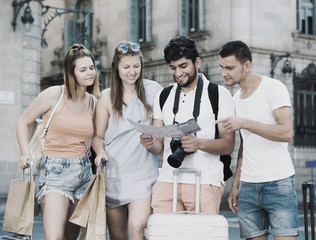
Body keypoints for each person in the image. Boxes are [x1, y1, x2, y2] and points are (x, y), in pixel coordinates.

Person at [140, 35, 235, 214]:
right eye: (173, 68)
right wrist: (149, 143)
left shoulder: (218, 94)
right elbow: (158, 145)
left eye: (183, 66)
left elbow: (228, 145)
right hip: (168, 179)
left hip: (205, 180)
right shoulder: (164, 95)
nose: (178, 73)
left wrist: (199, 144)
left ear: (197, 62)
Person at [16, 44, 100, 240]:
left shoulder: (94, 102)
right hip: (54, 172)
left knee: (71, 238)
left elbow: (94, 137)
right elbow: (22, 122)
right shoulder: (55, 94)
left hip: (84, 174)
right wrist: (25, 154)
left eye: (91, 67)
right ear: (72, 73)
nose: (90, 73)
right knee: (54, 237)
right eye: (83, 69)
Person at [217, 40, 299, 239]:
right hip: (248, 187)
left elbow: (286, 133)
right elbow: (245, 147)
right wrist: (235, 186)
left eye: (229, 67)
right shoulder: (235, 99)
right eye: (222, 67)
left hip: (279, 183)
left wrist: (244, 123)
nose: (223, 73)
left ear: (246, 66)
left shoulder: (273, 88)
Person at [92, 41, 162, 240]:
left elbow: (159, 145)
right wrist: (100, 152)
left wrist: (152, 143)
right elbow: (97, 137)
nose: (132, 72)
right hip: (113, 175)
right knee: (118, 236)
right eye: (126, 67)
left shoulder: (154, 90)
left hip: (143, 176)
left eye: (136, 66)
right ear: (116, 67)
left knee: (137, 227)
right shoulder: (105, 97)